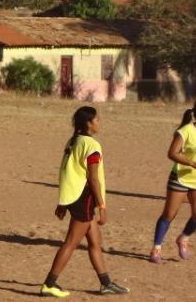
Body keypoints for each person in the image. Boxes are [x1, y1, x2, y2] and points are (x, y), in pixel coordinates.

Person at [40, 106, 130, 298]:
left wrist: (63, 202)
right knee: (71, 242)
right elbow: (93, 178)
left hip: (74, 197)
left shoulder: (73, 141)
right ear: (89, 123)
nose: (99, 122)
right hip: (84, 198)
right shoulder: (91, 145)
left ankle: (106, 283)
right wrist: (102, 205)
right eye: (97, 120)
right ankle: (49, 283)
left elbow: (66, 172)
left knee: (95, 242)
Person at [150, 98, 196, 263]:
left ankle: (183, 238)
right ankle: (156, 248)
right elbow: (172, 153)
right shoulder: (186, 131)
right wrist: (192, 163)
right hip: (180, 178)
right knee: (169, 214)